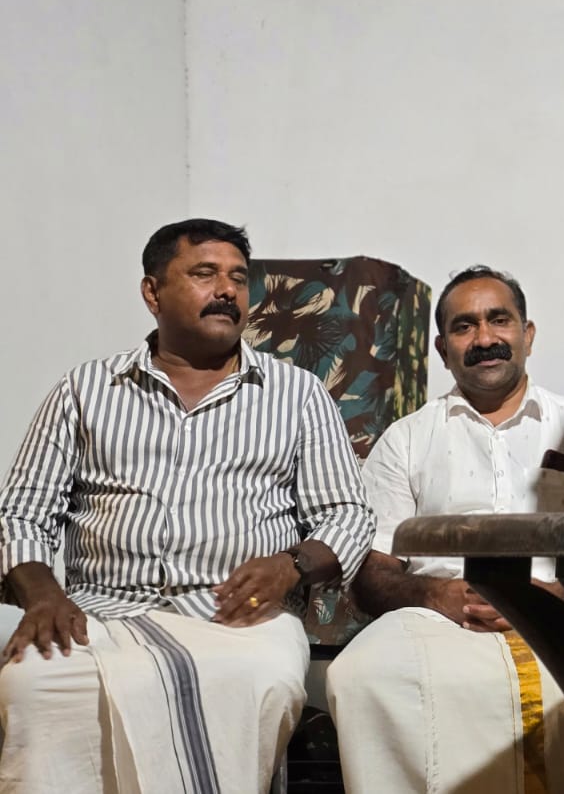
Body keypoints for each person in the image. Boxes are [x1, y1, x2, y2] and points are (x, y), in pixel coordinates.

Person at [0, 218, 374, 794]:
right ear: (152, 293)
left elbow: (348, 512)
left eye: (238, 278)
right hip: (100, 611)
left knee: (261, 681)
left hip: (238, 617)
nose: (227, 290)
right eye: (205, 274)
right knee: (34, 684)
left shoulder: (296, 394)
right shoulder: (85, 389)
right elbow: (21, 512)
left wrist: (291, 565)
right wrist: (45, 596)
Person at [325, 265, 564, 794]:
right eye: (464, 326)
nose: (485, 338)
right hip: (435, 620)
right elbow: (370, 573)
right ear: (441, 348)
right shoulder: (406, 439)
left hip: (563, 615)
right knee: (360, 674)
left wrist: (562, 595)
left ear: (528, 334)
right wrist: (437, 595)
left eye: (499, 320)